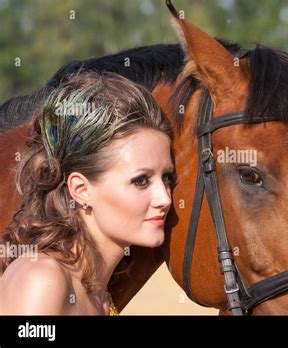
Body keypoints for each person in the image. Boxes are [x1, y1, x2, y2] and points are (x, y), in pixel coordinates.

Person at [0, 72, 174, 315]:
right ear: (81, 190)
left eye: (167, 177)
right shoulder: (43, 279)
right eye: (141, 180)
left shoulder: (100, 296)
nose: (165, 198)